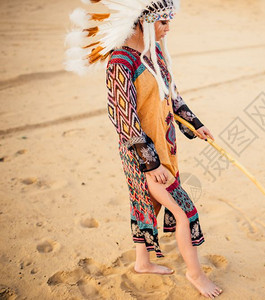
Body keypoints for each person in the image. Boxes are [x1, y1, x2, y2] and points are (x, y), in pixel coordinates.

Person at [65, 0, 222, 298]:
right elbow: (125, 121)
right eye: (162, 22)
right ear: (141, 23)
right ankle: (195, 273)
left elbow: (171, 96)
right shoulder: (120, 63)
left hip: (164, 148)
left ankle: (141, 262)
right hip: (142, 155)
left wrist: (194, 124)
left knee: (147, 205)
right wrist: (151, 165)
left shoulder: (153, 55)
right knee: (184, 211)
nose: (167, 28)